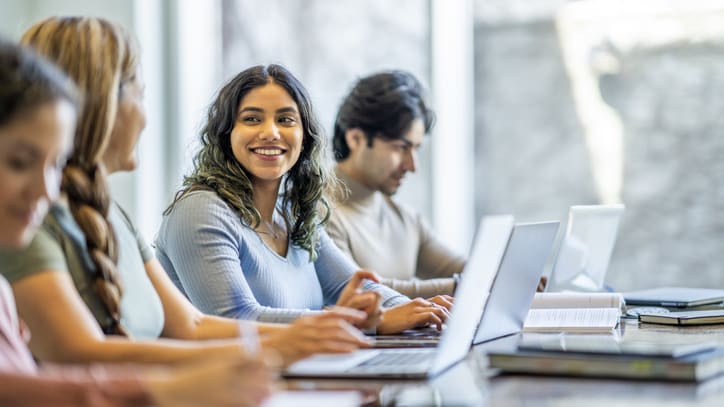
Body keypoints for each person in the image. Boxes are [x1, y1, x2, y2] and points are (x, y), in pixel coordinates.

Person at [0, 16, 372, 368]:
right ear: (100, 106)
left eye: (286, 119)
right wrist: (276, 347)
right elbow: (84, 356)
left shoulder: (108, 213)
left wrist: (309, 333)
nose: (145, 117)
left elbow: (192, 326)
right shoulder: (27, 216)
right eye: (140, 95)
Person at [0, 38, 271, 407]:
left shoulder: (5, 290)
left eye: (55, 165)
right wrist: (166, 388)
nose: (45, 191)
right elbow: (64, 363)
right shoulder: (199, 210)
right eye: (18, 163)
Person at [156, 64, 452, 335]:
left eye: (285, 119)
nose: (270, 132)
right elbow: (236, 317)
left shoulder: (294, 213)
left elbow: (352, 285)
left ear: (304, 136)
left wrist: (419, 311)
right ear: (226, 134)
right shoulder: (200, 210)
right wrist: (359, 321)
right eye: (252, 119)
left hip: (295, 381)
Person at [327, 71, 466, 298]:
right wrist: (466, 287)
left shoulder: (405, 219)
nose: (412, 165)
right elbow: (357, 291)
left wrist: (503, 276)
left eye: (416, 149)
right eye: (401, 147)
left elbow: (468, 270)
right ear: (355, 139)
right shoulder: (320, 215)